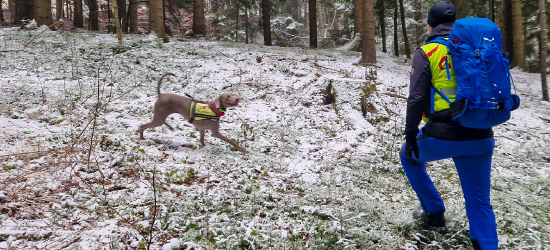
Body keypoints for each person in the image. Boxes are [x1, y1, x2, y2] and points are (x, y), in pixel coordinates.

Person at [401, 2, 498, 250]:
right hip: (481, 136)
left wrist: (411, 132)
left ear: (430, 25)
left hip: (443, 136)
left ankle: (434, 213)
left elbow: (416, 98)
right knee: (480, 201)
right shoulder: (477, 47)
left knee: (408, 156)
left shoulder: (428, 51)